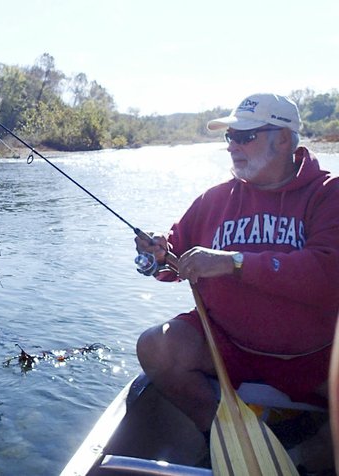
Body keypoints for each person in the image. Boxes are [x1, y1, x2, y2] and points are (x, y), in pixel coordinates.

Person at [134, 93, 339, 442]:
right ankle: (221, 438)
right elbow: (174, 262)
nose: (233, 146)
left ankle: (310, 458)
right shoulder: (214, 199)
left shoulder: (327, 194)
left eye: (245, 137)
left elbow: (326, 273)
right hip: (227, 350)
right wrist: (158, 255)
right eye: (230, 137)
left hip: (317, 360)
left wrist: (233, 263)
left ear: (285, 138)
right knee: (156, 345)